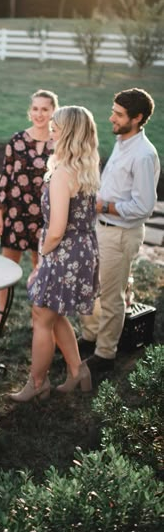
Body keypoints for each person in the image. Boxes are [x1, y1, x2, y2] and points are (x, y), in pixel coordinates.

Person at [10, 106, 100, 402]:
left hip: (63, 251)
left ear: (68, 132)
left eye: (56, 126)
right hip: (83, 249)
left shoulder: (63, 173)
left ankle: (37, 383)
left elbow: (57, 229)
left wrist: (43, 254)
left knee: (42, 315)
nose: (51, 129)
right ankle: (78, 371)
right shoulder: (85, 166)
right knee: (52, 310)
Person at [80, 88, 160, 375]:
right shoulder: (122, 141)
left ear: (137, 118)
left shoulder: (143, 155)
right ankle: (89, 338)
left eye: (119, 114)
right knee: (91, 286)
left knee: (112, 296)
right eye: (113, 110)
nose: (111, 117)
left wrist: (104, 205)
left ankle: (105, 354)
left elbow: (144, 206)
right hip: (101, 229)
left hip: (120, 234)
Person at [0, 89, 58, 332]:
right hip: (15, 214)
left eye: (45, 109)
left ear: (53, 112)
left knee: (41, 268)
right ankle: (1, 313)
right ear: (29, 111)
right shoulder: (17, 140)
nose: (39, 114)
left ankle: (37, 314)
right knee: (7, 267)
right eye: (35, 108)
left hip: (47, 217)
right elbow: (5, 178)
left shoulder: (59, 143)